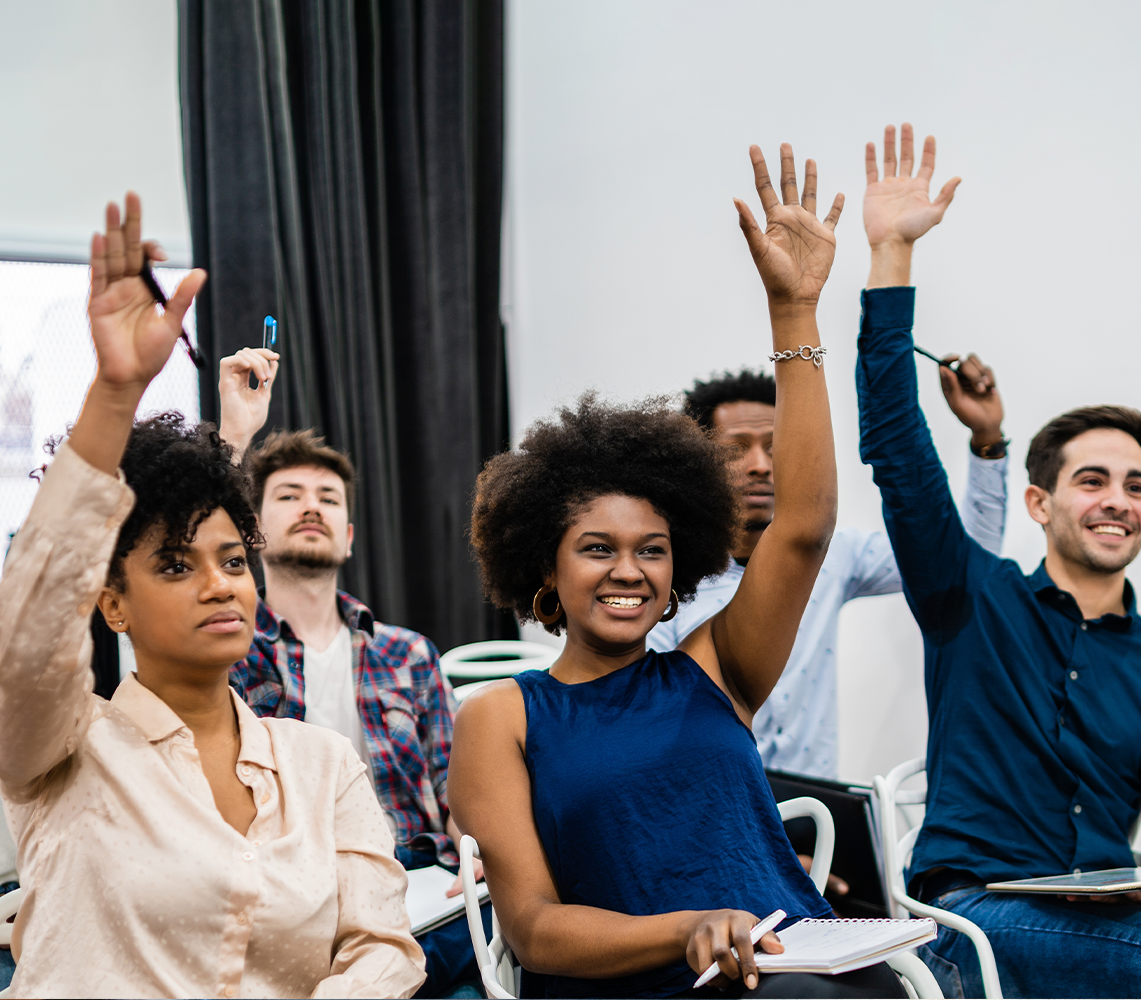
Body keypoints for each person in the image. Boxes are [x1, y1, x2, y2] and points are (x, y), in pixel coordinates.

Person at [450, 145, 906, 999]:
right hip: (649, 984)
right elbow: (536, 930)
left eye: (652, 549)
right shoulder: (499, 718)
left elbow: (803, 529)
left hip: (795, 966)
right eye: (597, 548)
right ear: (543, 564)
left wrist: (795, 312)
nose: (630, 571)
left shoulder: (713, 668)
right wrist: (692, 930)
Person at [0, 194, 425, 998]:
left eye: (234, 561)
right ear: (112, 603)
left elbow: (384, 950)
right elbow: (31, 626)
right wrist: (115, 396)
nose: (218, 584)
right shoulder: (61, 748)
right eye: (174, 567)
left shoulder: (320, 765)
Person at [855, 123, 1141, 997]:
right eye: (1093, 480)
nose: (1118, 499)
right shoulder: (972, 595)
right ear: (1042, 504)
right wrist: (892, 255)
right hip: (972, 920)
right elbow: (899, 452)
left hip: (1118, 923)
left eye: (1136, 484)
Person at [218, 363, 488, 1000]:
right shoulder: (225, 648)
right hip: (287, 887)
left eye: (328, 499)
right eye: (288, 495)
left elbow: (456, 786)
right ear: (252, 529)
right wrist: (234, 435)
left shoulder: (409, 653)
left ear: (348, 536)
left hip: (417, 878)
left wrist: (476, 853)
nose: (311, 505)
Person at [649, 364, 1008, 780]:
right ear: (697, 464)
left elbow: (961, 559)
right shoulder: (665, 570)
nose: (760, 465)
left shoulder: (832, 555)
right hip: (708, 804)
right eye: (735, 449)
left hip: (816, 811)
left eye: (775, 445)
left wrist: (988, 441)